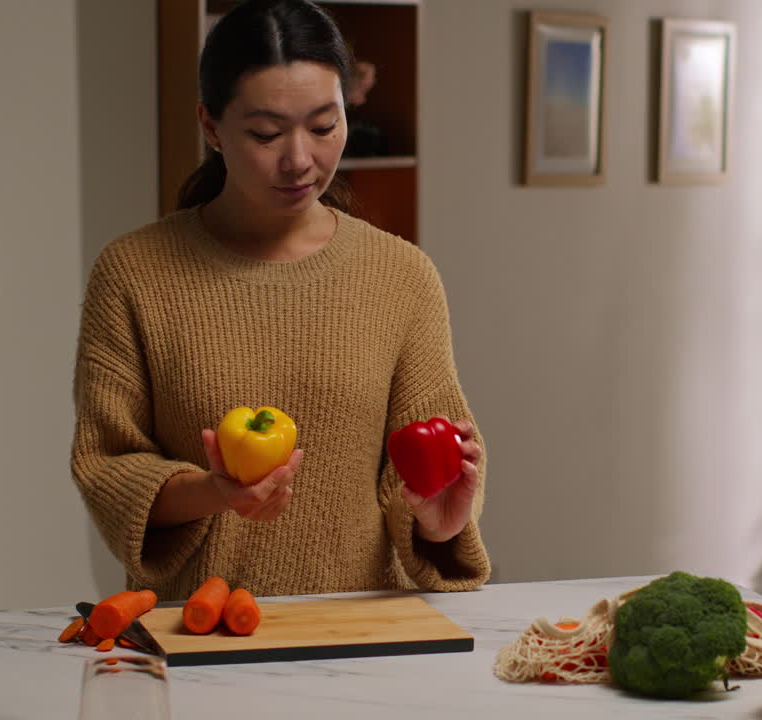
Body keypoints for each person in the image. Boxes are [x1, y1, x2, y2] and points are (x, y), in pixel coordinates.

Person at [70, 0, 488, 601]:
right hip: (195, 632)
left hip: (363, 636)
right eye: (266, 133)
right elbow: (108, 464)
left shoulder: (402, 275)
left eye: (324, 126)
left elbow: (424, 458)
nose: (299, 160)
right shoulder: (135, 273)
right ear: (210, 127)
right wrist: (216, 493)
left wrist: (437, 524)